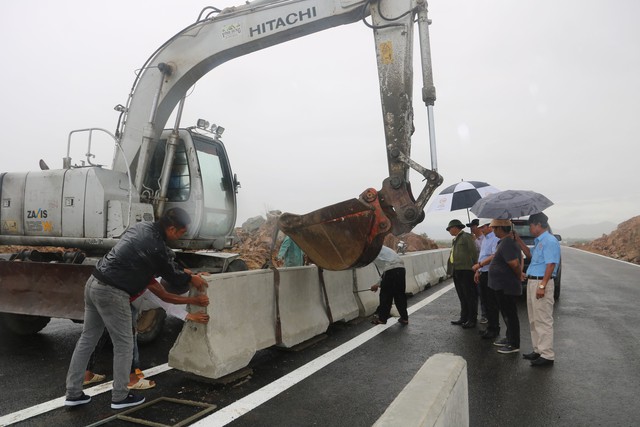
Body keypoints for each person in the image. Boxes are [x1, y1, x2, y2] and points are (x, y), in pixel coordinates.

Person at [64, 207, 208, 409]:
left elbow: (164, 269)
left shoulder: (142, 227)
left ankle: (73, 393)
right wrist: (191, 278)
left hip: (94, 282)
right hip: (113, 291)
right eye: (182, 232)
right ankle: (120, 396)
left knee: (87, 339)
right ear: (173, 228)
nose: (181, 237)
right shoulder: (156, 248)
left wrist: (180, 273)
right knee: (124, 345)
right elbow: (172, 278)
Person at [515, 212, 560, 367]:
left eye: (531, 226)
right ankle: (538, 350)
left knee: (543, 320)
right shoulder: (539, 241)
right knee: (534, 319)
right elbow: (529, 255)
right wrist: (519, 240)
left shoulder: (549, 241)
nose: (530, 229)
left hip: (542, 283)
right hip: (532, 281)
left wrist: (542, 286)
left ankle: (547, 355)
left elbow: (551, 265)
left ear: (538, 225)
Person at [487, 219, 523, 354]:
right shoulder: (504, 242)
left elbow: (514, 263)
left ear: (500, 228)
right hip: (501, 285)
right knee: (506, 314)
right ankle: (509, 338)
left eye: (494, 228)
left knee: (510, 314)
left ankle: (514, 343)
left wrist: (519, 275)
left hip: (506, 286)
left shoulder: (507, 243)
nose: (493, 230)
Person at [446, 219, 479, 328]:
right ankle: (464, 317)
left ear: (455, 227)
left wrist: (476, 267)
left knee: (470, 296)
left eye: (450, 229)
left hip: (466, 270)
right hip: (457, 270)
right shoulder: (455, 239)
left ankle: (472, 319)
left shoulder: (466, 237)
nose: (449, 231)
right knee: (462, 295)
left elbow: (473, 252)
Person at [472, 221, 500, 339]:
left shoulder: (494, 239)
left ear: (489, 226)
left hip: (490, 273)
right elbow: (482, 255)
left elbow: (494, 255)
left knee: (491, 302)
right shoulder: (484, 239)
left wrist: (480, 265)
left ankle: (494, 328)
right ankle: (490, 327)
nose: (481, 229)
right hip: (483, 272)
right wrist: (478, 270)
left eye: (483, 227)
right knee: (485, 302)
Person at [370, 246, 408, 325]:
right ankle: (404, 318)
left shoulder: (372, 253)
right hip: (401, 268)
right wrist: (378, 284)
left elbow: (385, 272)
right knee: (400, 295)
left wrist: (377, 285)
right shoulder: (383, 248)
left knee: (385, 295)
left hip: (391, 269)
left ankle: (382, 319)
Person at [467, 218, 487, 324]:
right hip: (477, 269)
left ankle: (486, 315)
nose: (471, 229)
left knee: (484, 294)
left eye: (472, 226)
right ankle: (484, 314)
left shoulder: (485, 239)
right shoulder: (474, 240)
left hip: (484, 269)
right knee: (479, 293)